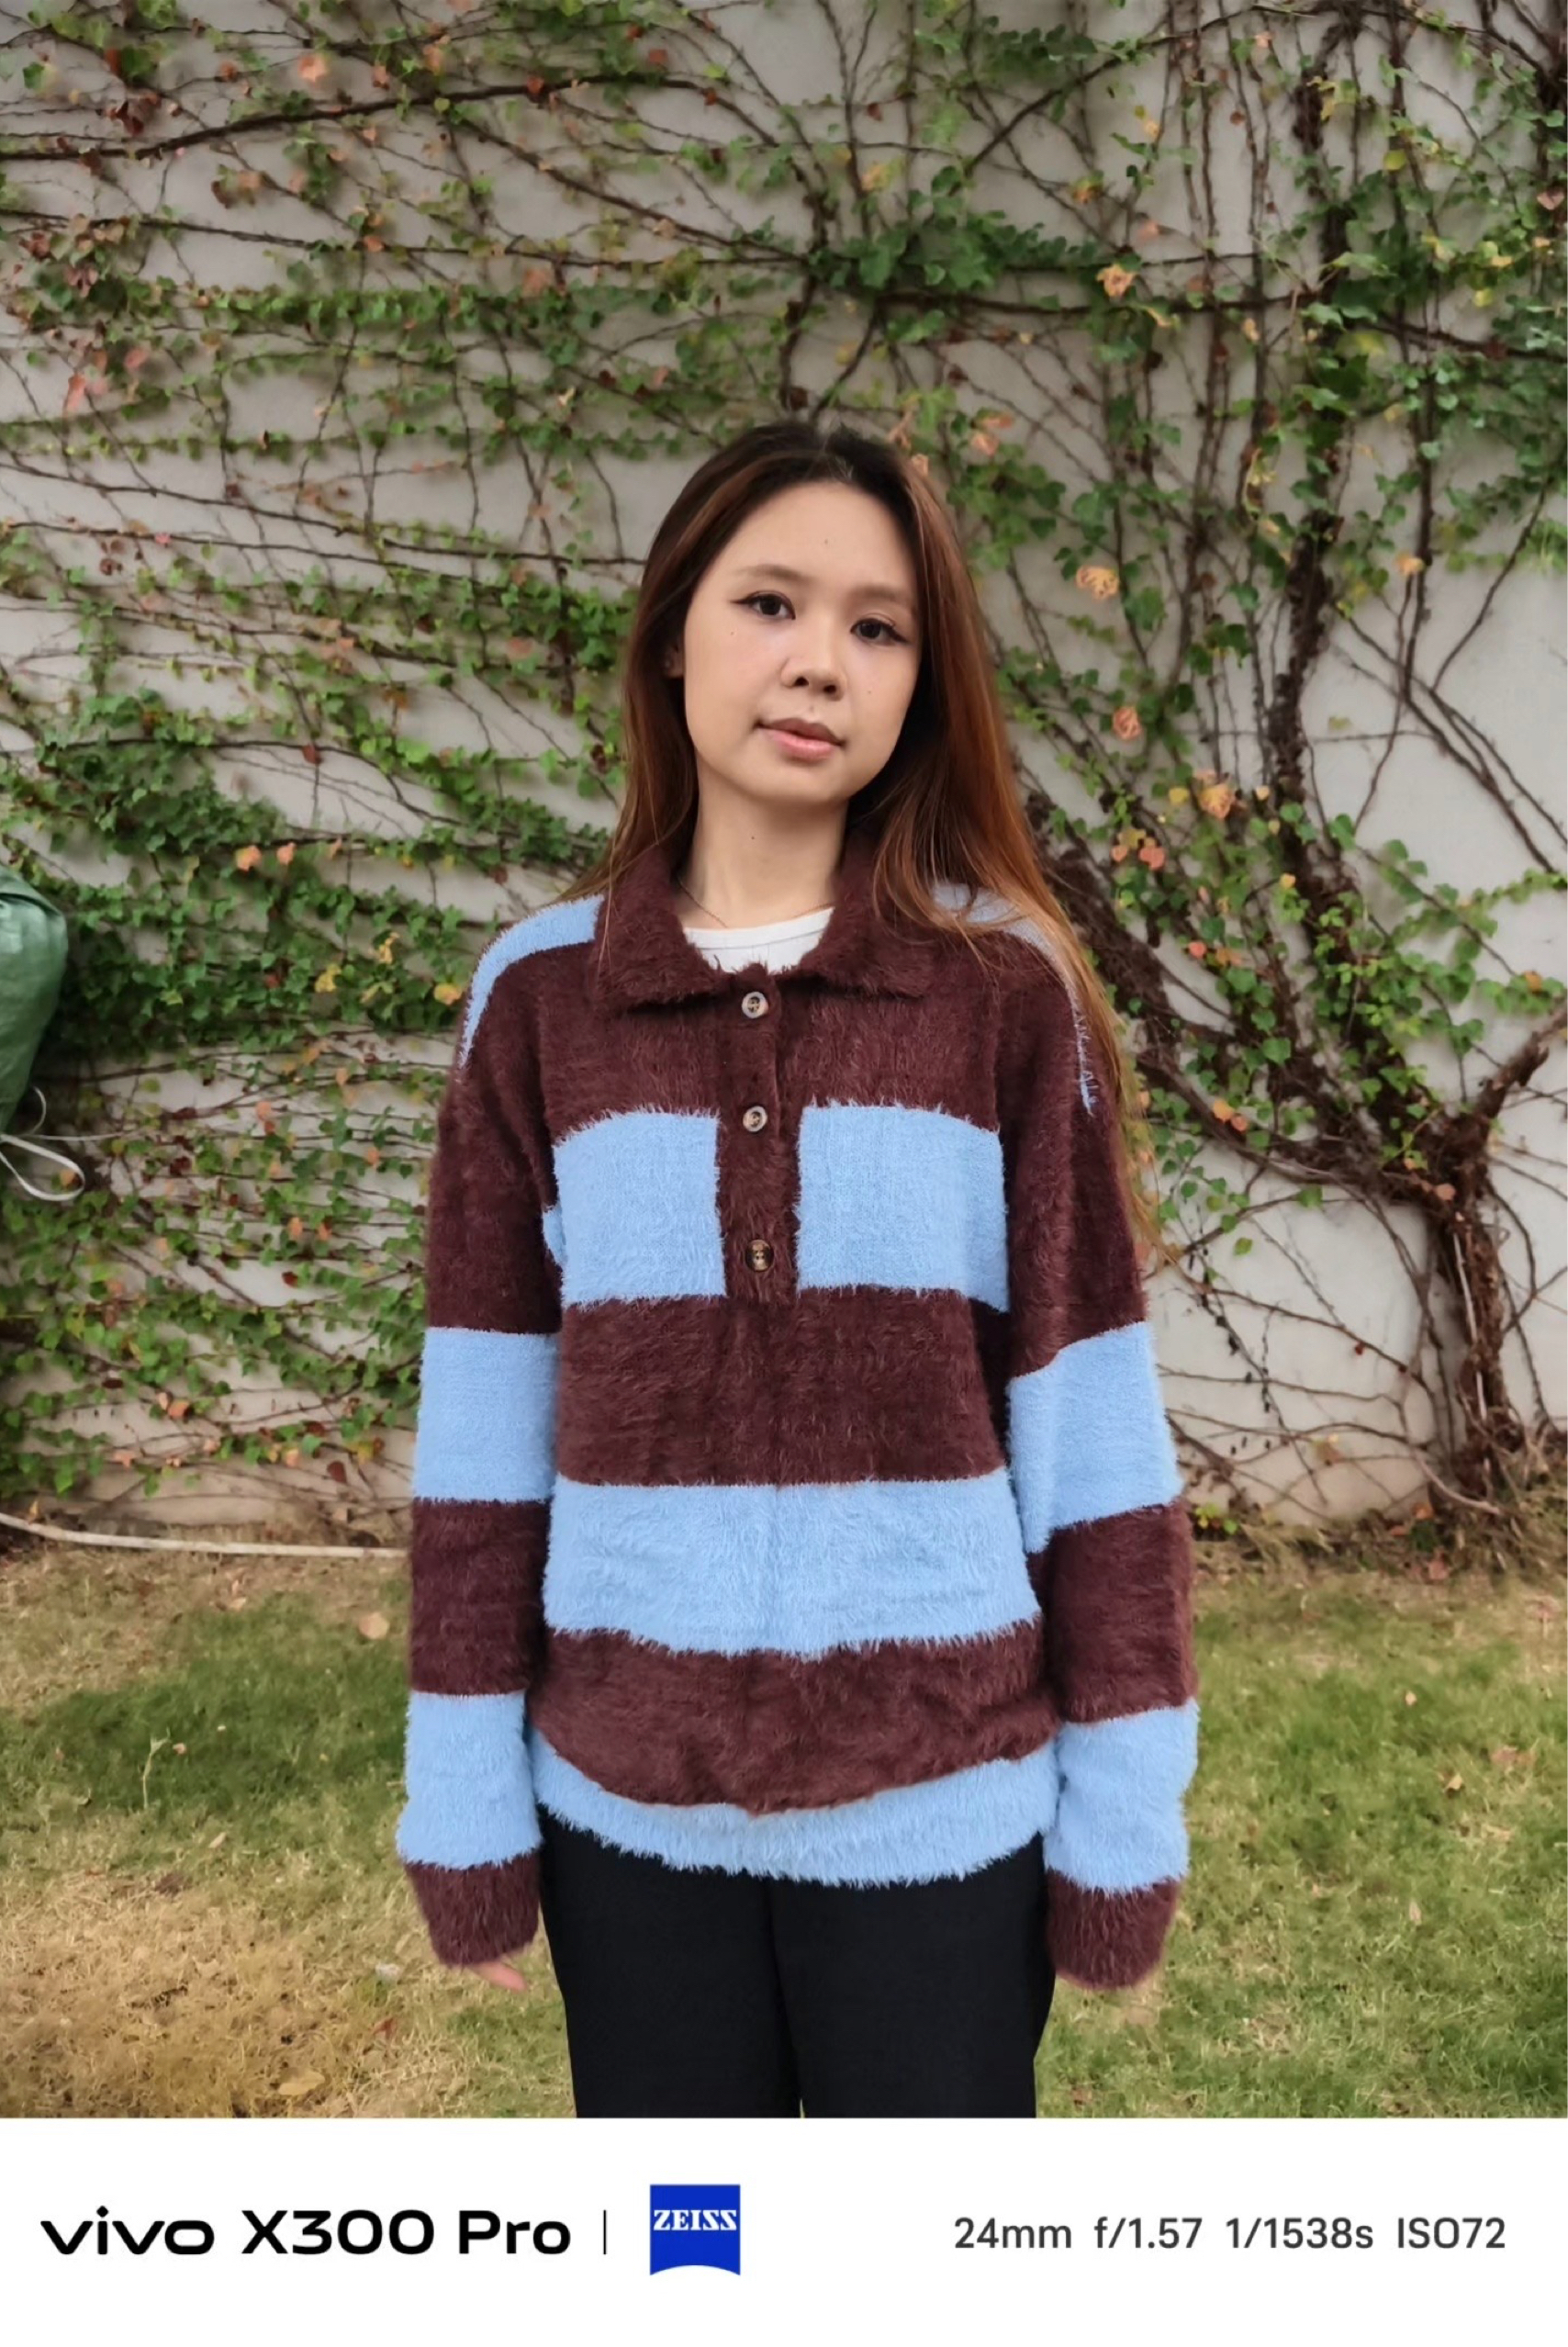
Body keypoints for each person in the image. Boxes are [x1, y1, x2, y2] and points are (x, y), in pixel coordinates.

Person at [395, 419, 1199, 2117]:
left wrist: (1125, 1812)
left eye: (877, 626)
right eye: (769, 603)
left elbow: (1093, 1434)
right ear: (671, 632)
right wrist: (461, 1794)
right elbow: (481, 1439)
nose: (818, 660)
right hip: (624, 1818)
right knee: (695, 2243)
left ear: (920, 683)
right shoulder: (533, 1004)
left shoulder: (1004, 996)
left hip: (944, 1816)